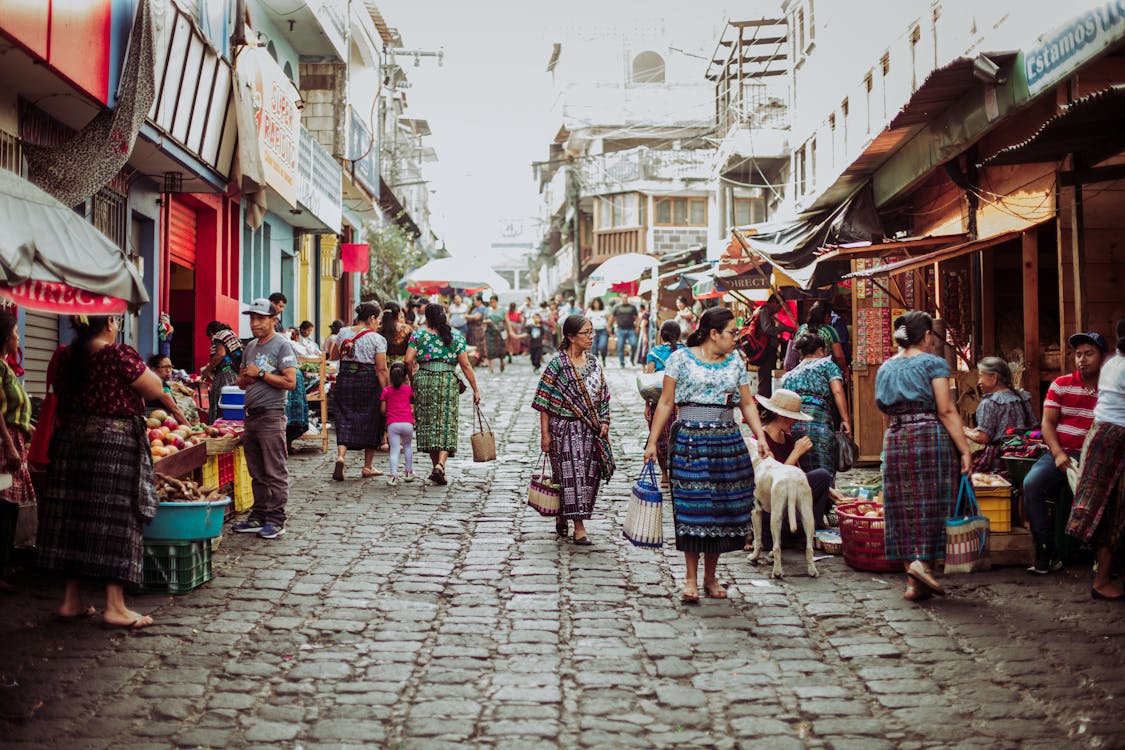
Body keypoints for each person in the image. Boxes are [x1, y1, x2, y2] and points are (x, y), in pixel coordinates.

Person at [38, 315, 186, 628]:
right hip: (111, 445)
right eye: (117, 320)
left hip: (70, 441)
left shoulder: (65, 356)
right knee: (115, 521)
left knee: (73, 521)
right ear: (108, 323)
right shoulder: (117, 354)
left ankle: (71, 599)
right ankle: (115, 606)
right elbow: (153, 387)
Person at [645, 307, 770, 602]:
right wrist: (652, 442)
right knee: (693, 507)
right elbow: (665, 403)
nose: (736, 339)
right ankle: (689, 578)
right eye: (731, 333)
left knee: (720, 509)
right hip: (690, 440)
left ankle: (710, 577)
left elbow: (747, 404)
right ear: (713, 334)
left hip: (727, 441)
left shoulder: (735, 362)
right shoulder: (680, 359)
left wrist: (760, 435)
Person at [875, 311, 972, 602]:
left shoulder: (885, 368)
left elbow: (884, 411)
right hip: (929, 437)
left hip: (895, 437)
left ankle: (913, 582)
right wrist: (965, 450)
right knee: (931, 504)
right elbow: (946, 410)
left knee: (902, 506)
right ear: (927, 335)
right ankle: (922, 565)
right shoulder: (933, 363)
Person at [1023, 331, 1106, 574]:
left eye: (1089, 353)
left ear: (1102, 356)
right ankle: (1046, 548)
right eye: (1078, 354)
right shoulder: (1061, 384)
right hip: (1062, 452)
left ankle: (1101, 553)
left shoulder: (1110, 389)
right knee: (1032, 483)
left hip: (1096, 457)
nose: (1082, 359)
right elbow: (1047, 424)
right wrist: (1058, 454)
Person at [534, 315, 614, 545]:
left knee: (588, 478)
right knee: (571, 477)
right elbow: (543, 401)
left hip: (591, 430)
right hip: (564, 430)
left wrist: (605, 421)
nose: (591, 337)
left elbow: (604, 395)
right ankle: (579, 527)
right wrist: (545, 435)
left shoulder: (594, 363)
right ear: (570, 337)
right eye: (585, 333)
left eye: (592, 332)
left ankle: (563, 512)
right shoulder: (557, 365)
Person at [229, 300, 297, 539]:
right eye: (252, 318)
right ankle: (258, 516)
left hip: (271, 415)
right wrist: (246, 378)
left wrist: (262, 374)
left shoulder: (282, 346)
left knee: (274, 471)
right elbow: (240, 381)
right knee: (256, 471)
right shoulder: (250, 348)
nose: (255, 323)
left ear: (273, 320)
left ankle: (277, 519)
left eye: (260, 318)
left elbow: (290, 382)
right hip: (251, 416)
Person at [1067, 319, 1125, 600]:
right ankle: (1102, 580)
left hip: (1102, 436)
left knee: (1109, 509)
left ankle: (1104, 578)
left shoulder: (1114, 363)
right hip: (1116, 441)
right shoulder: (1120, 365)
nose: (1082, 359)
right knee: (1112, 511)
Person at [404, 304, 481, 485]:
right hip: (447, 382)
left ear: (427, 318)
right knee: (446, 423)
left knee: (428, 424)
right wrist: (475, 389)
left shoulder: (419, 335)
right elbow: (465, 365)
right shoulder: (455, 337)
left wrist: (412, 377)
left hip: (424, 381)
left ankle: (437, 467)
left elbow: (408, 360)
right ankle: (440, 464)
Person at [756, 389, 834, 530]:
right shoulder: (761, 441)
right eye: (793, 417)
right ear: (781, 416)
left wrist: (829, 490)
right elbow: (772, 486)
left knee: (823, 476)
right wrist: (796, 453)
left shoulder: (788, 439)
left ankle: (808, 529)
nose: (796, 422)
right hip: (772, 504)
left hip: (791, 498)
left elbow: (799, 476)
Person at [328, 302, 389, 480]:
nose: (378, 323)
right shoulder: (377, 339)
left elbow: (333, 356)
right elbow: (381, 368)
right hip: (368, 381)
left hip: (345, 379)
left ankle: (341, 457)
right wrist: (386, 391)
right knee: (371, 419)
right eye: (377, 319)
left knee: (344, 416)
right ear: (371, 318)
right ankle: (367, 466)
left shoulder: (343, 333)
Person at [780, 333, 851, 477]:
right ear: (820, 351)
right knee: (823, 467)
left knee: (801, 469)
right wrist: (845, 419)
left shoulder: (789, 375)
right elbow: (837, 391)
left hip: (795, 424)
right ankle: (824, 497)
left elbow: (784, 402)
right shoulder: (827, 365)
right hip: (819, 423)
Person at [0, 311, 34, 593]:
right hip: (3, 445)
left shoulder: (5, 365)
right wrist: (10, 444)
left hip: (14, 440)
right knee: (3, 505)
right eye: (16, 332)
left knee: (8, 507)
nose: (19, 337)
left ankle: (4, 563)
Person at [962, 357, 1037, 473]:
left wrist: (963, 431)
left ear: (994, 377)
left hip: (1000, 458)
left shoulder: (989, 403)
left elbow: (984, 437)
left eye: (981, 376)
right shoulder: (1023, 398)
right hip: (1025, 456)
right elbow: (1032, 426)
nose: (979, 382)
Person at [644, 321, 683, 487]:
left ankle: (665, 474)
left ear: (662, 334)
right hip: (681, 402)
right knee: (680, 438)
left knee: (660, 438)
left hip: (659, 402)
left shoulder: (654, 352)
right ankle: (678, 472)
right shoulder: (685, 352)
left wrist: (647, 404)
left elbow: (647, 381)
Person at [786, 300, 847, 374]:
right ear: (826, 316)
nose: (831, 319)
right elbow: (839, 357)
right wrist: (844, 370)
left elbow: (794, 353)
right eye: (830, 316)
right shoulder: (829, 331)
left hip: (802, 372)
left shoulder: (802, 329)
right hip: (824, 373)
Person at [751, 296, 796, 397]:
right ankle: (763, 407)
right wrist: (782, 329)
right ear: (774, 302)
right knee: (765, 379)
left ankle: (765, 407)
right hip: (766, 350)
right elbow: (767, 329)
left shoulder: (765, 312)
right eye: (780, 305)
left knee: (766, 378)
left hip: (768, 350)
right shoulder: (764, 311)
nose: (780, 308)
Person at [200, 321, 243, 423]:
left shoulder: (219, 336)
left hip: (225, 373)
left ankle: (218, 424)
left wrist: (207, 370)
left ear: (211, 333)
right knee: (232, 402)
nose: (211, 341)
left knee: (220, 400)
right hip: (235, 372)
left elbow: (220, 354)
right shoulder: (231, 334)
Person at [381, 361, 416, 486]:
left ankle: (393, 476)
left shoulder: (386, 391)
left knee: (394, 450)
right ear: (405, 376)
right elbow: (413, 405)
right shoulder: (408, 390)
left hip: (393, 424)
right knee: (407, 447)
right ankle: (408, 472)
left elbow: (383, 410)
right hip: (407, 424)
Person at [146, 354, 199, 425]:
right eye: (164, 367)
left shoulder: (149, 381)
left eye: (170, 367)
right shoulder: (159, 385)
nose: (168, 371)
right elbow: (174, 409)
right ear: (153, 369)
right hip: (156, 424)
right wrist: (189, 428)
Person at [381, 301, 413, 365]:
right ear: (398, 315)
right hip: (402, 368)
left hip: (384, 366)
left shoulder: (378, 330)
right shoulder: (406, 329)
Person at [611, 297, 640, 368]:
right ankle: (622, 362)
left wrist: (637, 327)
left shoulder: (632, 307)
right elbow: (613, 318)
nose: (625, 299)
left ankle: (632, 358)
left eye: (626, 298)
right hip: (620, 329)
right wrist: (609, 326)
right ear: (621, 299)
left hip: (631, 329)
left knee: (634, 344)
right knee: (620, 346)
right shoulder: (617, 307)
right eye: (623, 298)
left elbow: (637, 318)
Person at [482, 297, 507, 373]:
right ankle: (491, 368)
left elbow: (506, 321)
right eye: (491, 302)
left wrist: (509, 332)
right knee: (490, 348)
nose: (492, 303)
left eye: (494, 302)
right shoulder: (487, 310)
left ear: (497, 301)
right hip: (490, 331)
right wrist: (487, 322)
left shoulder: (502, 310)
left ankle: (502, 363)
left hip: (500, 331)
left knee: (501, 348)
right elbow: (483, 320)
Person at [586, 298, 609, 365]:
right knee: (593, 347)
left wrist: (609, 326)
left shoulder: (604, 311)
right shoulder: (590, 311)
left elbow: (610, 318)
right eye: (595, 303)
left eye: (597, 303)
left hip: (603, 331)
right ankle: (596, 361)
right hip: (593, 331)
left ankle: (603, 357)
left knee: (602, 345)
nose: (596, 304)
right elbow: (586, 320)